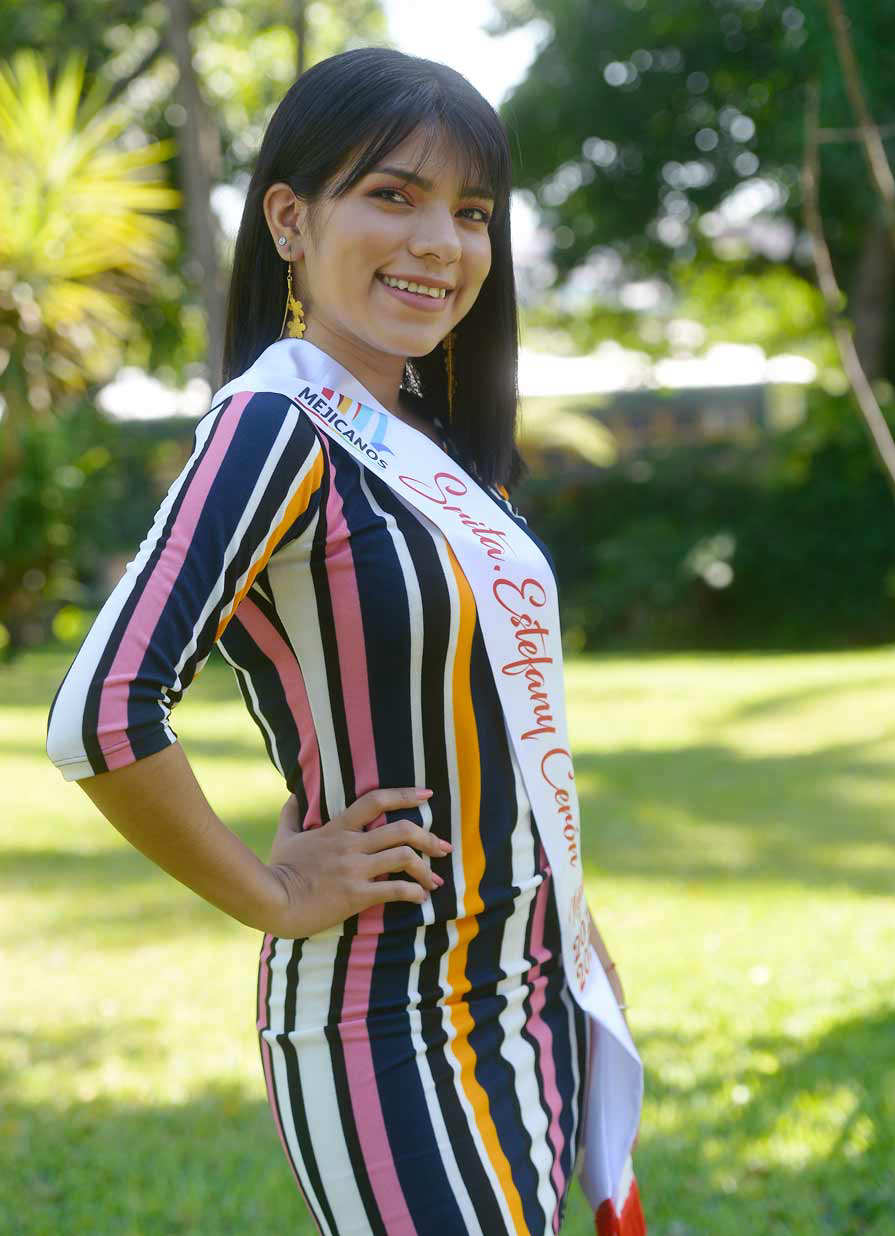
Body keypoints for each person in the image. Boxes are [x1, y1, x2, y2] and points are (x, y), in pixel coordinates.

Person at [46, 47, 644, 1235]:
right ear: (288, 217)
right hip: (390, 1015)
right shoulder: (277, 424)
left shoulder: (429, 437)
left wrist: (575, 934)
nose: (441, 242)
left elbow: (500, 733)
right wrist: (271, 890)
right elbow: (103, 713)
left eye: (471, 212)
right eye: (393, 194)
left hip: (527, 990)